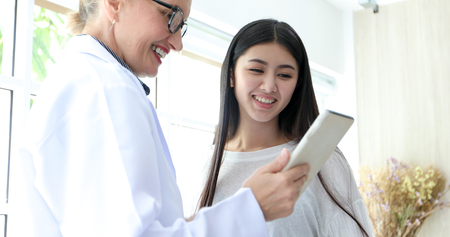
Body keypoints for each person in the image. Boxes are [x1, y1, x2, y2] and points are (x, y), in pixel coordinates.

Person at [15, 1, 311, 236]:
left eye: (181, 26)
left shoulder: (84, 79)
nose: (177, 43)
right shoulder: (107, 91)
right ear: (115, 3)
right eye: (170, 16)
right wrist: (252, 207)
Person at [197, 19, 374, 236]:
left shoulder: (323, 162)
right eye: (256, 69)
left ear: (297, 84)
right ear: (232, 75)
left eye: (284, 75)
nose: (269, 86)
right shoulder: (205, 164)